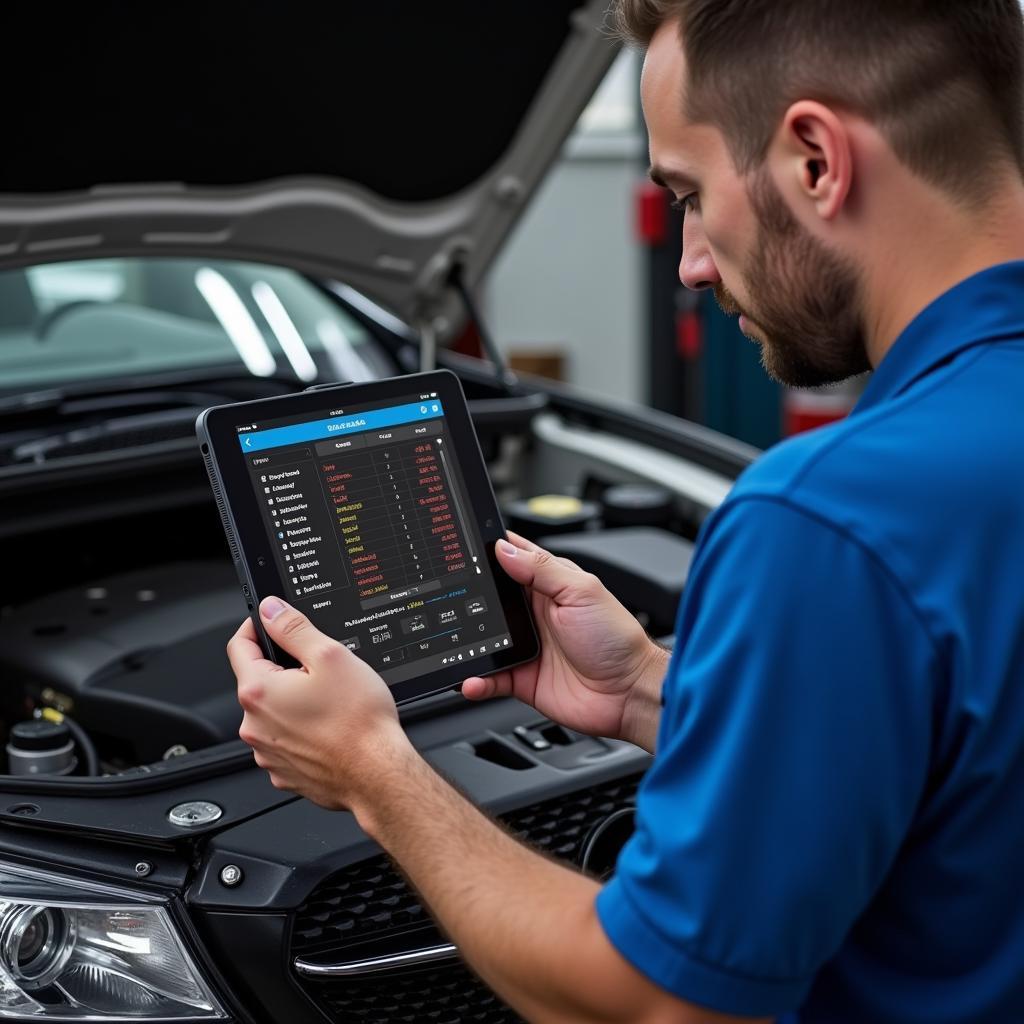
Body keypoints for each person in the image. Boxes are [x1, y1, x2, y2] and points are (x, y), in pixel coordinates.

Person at [227, 1, 1024, 1020]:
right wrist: (651, 689)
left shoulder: (828, 522)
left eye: (689, 194)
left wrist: (373, 772)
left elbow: (656, 1005)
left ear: (816, 161)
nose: (690, 261)